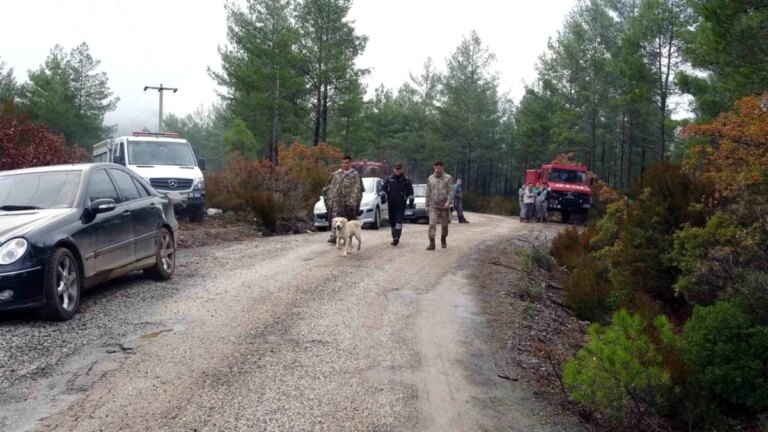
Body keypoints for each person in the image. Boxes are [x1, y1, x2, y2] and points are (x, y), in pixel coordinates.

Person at [321, 155, 364, 244]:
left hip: (349, 201)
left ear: (350, 163)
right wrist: (329, 198)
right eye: (343, 163)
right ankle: (334, 235)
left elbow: (358, 188)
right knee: (335, 217)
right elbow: (328, 187)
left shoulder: (354, 174)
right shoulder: (336, 174)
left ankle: (347, 235)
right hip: (336, 201)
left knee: (347, 219)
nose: (345, 165)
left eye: (347, 163)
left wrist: (354, 200)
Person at [381, 162, 414, 246]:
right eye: (396, 169)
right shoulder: (389, 179)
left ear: (401, 169)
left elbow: (410, 191)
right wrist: (383, 196)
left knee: (398, 221)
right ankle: (394, 236)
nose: (397, 170)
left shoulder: (406, 180)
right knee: (392, 222)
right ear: (394, 169)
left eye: (399, 169)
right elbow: (384, 188)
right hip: (391, 204)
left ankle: (397, 237)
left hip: (401, 204)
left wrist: (411, 200)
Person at [425, 161, 454, 250]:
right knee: (432, 224)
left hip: (444, 206)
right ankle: (432, 243)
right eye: (436, 167)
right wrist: (426, 205)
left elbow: (451, 191)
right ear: (434, 167)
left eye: (439, 167)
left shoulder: (448, 178)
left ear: (442, 167)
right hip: (433, 205)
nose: (438, 169)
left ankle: (443, 238)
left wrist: (448, 202)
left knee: (444, 225)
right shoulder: (430, 178)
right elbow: (428, 192)